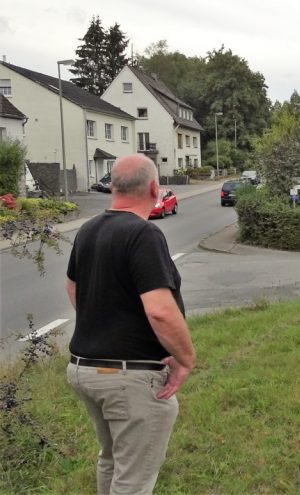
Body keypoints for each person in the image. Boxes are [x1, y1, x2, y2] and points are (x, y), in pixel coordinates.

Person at [65, 154, 196, 494]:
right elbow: (160, 312)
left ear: (112, 187)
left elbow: (73, 287)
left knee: (112, 458)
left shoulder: (89, 229)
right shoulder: (143, 234)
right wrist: (185, 359)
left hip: (85, 368)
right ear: (153, 189)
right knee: (133, 479)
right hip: (128, 377)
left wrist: (104, 322)